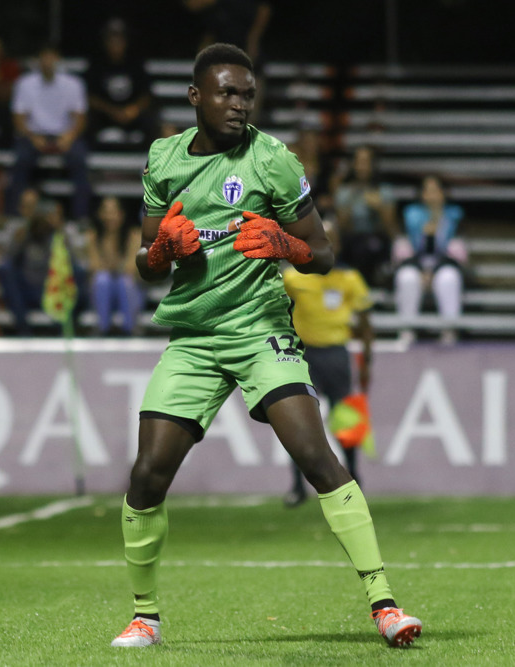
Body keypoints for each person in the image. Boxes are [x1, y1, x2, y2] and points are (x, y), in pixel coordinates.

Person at [110, 43, 421, 650]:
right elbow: (146, 265)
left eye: (247, 93)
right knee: (147, 474)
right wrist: (163, 251)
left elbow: (323, 255)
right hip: (195, 339)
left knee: (315, 454)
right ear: (195, 96)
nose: (239, 104)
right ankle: (145, 616)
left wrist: (286, 244)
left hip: (260, 332)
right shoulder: (163, 159)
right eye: (226, 92)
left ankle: (384, 604)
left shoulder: (273, 160)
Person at [281, 220, 372, 507]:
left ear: (337, 246)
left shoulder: (349, 279)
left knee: (345, 419)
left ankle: (354, 477)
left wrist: (367, 360)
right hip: (303, 355)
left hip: (336, 353)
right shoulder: (293, 278)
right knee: (300, 422)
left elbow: (366, 323)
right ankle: (297, 486)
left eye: (330, 241)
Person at [7, 43, 91, 222]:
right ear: (37, 61)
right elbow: (18, 119)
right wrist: (32, 137)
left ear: (57, 59)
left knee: (80, 159)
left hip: (65, 135)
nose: (47, 62)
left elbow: (80, 118)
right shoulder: (25, 83)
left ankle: (81, 218)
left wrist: (69, 136)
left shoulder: (72, 84)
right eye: (44, 57)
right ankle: (14, 216)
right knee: (20, 159)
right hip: (33, 135)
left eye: (51, 57)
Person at [393, 175, 467, 344]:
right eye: (427, 191)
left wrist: (433, 271)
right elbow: (401, 249)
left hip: (444, 265)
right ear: (421, 194)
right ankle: (407, 331)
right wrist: (421, 270)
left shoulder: (454, 215)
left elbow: (459, 253)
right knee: (407, 277)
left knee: (448, 278)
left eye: (436, 191)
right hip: (415, 265)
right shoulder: (411, 214)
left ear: (443, 193)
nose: (432, 195)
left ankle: (449, 332)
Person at [0, 200, 85, 335]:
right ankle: (24, 330)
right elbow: (8, 259)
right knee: (5, 270)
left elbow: (74, 265)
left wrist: (60, 235)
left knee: (79, 274)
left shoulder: (60, 235)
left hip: (54, 290)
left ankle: (62, 330)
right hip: (29, 289)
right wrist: (24, 235)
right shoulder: (25, 234)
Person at [334, 145, 399, 287]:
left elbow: (392, 231)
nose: (362, 167)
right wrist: (350, 204)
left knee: (371, 247)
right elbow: (342, 228)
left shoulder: (384, 191)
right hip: (352, 240)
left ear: (373, 165)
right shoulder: (344, 192)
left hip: (377, 239)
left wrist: (380, 208)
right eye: (359, 162)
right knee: (357, 248)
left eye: (366, 162)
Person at [86, 18, 155, 149]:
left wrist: (133, 109)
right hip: (105, 116)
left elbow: (146, 94)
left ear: (125, 42)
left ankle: (148, 158)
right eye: (112, 40)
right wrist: (112, 111)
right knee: (89, 121)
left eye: (119, 40)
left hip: (131, 115)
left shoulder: (135, 64)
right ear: (105, 42)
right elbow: (90, 97)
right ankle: (97, 154)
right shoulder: (97, 64)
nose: (116, 44)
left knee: (150, 120)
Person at [85, 196, 145, 335]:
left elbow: (131, 268)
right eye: (106, 211)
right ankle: (102, 327)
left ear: (121, 214)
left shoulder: (134, 235)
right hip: (103, 291)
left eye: (113, 211)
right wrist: (114, 266)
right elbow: (94, 266)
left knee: (125, 281)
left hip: (130, 290)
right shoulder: (93, 235)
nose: (109, 216)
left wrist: (110, 265)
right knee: (102, 280)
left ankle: (130, 328)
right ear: (99, 214)